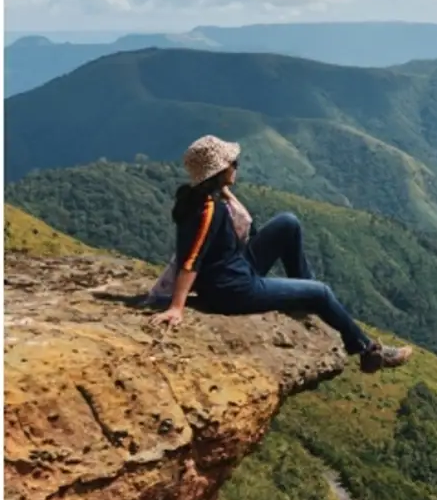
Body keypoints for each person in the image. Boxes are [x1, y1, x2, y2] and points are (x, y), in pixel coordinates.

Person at [151, 134, 412, 374]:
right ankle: (368, 351)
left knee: (288, 223)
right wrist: (177, 307)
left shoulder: (204, 199)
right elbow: (191, 258)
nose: (236, 167)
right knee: (321, 291)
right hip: (234, 289)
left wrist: (225, 191)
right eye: (233, 163)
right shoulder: (208, 210)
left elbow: (242, 229)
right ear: (219, 171)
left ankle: (306, 297)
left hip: (236, 266)